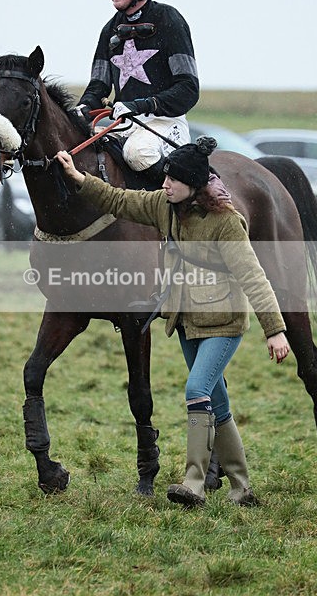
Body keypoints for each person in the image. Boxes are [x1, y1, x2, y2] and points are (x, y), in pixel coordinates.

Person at [56, 140, 291, 508]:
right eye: (165, 176)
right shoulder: (164, 206)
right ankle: (241, 488)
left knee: (196, 389)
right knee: (219, 403)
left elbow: (254, 278)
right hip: (185, 320)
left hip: (223, 322)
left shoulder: (227, 223)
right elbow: (118, 200)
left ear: (194, 185)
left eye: (173, 179)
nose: (165, 184)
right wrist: (77, 177)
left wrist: (274, 329)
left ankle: (193, 482)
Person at [74, 0, 199, 183]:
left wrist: (142, 105)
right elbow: (98, 87)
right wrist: (81, 110)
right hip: (125, 125)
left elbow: (188, 90)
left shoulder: (169, 19)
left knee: (138, 153)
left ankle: (173, 214)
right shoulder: (109, 30)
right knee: (82, 149)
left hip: (165, 125)